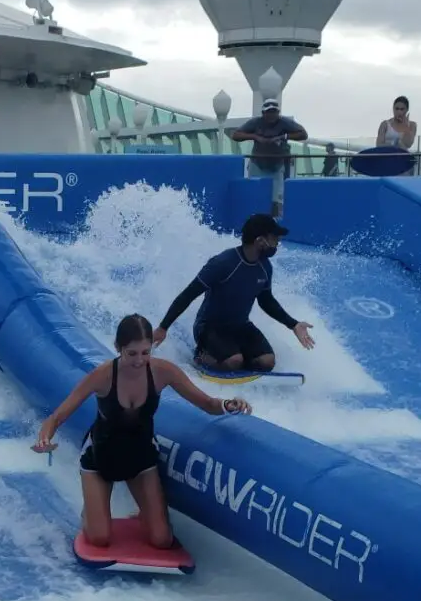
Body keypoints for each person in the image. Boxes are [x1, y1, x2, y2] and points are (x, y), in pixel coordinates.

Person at [33, 314, 252, 550]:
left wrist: (228, 405)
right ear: (118, 348)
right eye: (132, 353)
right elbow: (57, 417)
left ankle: (144, 514)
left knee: (161, 540)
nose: (139, 360)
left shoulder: (163, 372)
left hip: (140, 457)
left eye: (146, 352)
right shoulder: (103, 375)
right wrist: (44, 438)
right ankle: (91, 513)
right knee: (99, 538)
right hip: (101, 456)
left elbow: (207, 404)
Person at [152, 213, 315, 372]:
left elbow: (266, 301)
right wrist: (163, 327)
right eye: (274, 239)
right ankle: (203, 357)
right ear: (260, 241)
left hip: (240, 326)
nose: (277, 244)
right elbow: (188, 294)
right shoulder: (223, 263)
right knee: (234, 361)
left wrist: (293, 324)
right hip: (209, 327)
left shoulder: (265, 267)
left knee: (267, 362)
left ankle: (236, 357)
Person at [231, 98, 308, 219]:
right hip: (257, 164)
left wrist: (284, 136)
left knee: (276, 198)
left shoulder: (285, 123)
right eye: (269, 112)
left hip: (276, 166)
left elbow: (303, 133)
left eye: (274, 111)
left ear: (278, 112)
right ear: (263, 113)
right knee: (255, 194)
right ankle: (255, 221)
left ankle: (273, 224)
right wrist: (255, 137)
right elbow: (235, 135)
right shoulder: (255, 122)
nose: (272, 115)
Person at [376, 96, 418, 175]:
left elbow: (408, 144)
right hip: (386, 161)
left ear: (406, 110)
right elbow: (379, 145)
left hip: (402, 162)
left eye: (402, 109)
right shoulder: (385, 124)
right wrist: (393, 144)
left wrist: (406, 127)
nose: (399, 112)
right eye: (396, 109)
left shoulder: (412, 125)